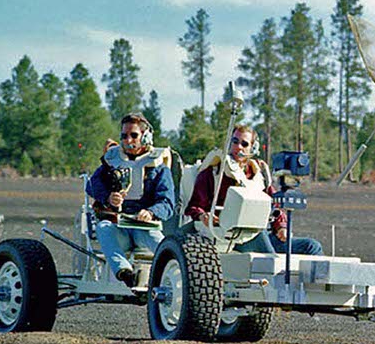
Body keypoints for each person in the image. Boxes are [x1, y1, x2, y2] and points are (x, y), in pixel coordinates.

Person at [185, 125, 322, 255]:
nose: (238, 147)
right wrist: (203, 216)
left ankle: (317, 280)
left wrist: (281, 227)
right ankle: (277, 276)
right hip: (229, 237)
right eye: (235, 141)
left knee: (312, 247)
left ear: (252, 148)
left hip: (262, 234)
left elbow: (275, 206)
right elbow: (195, 206)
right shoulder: (213, 173)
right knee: (267, 251)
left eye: (244, 144)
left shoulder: (258, 176)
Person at [86, 113, 175, 286]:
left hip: (145, 228)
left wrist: (151, 212)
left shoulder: (159, 168)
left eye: (133, 135)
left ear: (146, 136)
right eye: (124, 136)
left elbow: (168, 203)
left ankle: (174, 281)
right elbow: (92, 185)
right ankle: (125, 273)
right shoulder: (112, 161)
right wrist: (108, 197)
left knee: (164, 247)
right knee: (104, 228)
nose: (128, 140)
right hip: (119, 227)